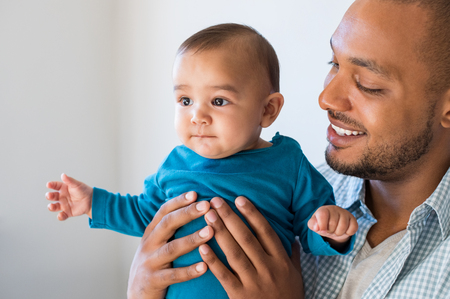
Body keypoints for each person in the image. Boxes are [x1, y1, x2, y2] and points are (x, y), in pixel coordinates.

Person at [125, 0, 450, 298]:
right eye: (334, 63)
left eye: (367, 83)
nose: (326, 99)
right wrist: (140, 291)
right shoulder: (298, 196)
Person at [45, 24, 358, 299]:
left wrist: (330, 229)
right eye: (185, 100)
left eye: (218, 101)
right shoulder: (175, 163)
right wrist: (92, 203)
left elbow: (310, 226)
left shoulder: (286, 161)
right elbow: (144, 214)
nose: (197, 116)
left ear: (268, 110)